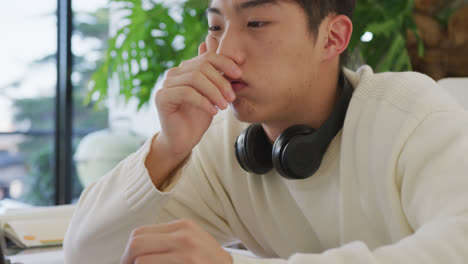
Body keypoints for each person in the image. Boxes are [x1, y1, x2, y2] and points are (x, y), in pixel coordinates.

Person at [64, 0, 468, 263]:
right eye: (217, 27)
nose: (224, 53)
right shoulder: (225, 143)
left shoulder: (411, 115)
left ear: (333, 37)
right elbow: (87, 254)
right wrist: (168, 149)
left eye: (256, 23)